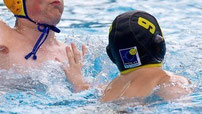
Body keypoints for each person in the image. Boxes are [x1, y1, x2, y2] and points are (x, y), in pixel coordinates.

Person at [59, 10, 191, 101]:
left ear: (112, 55)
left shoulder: (108, 89)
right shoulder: (170, 81)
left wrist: (77, 80)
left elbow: (83, 91)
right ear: (159, 46)